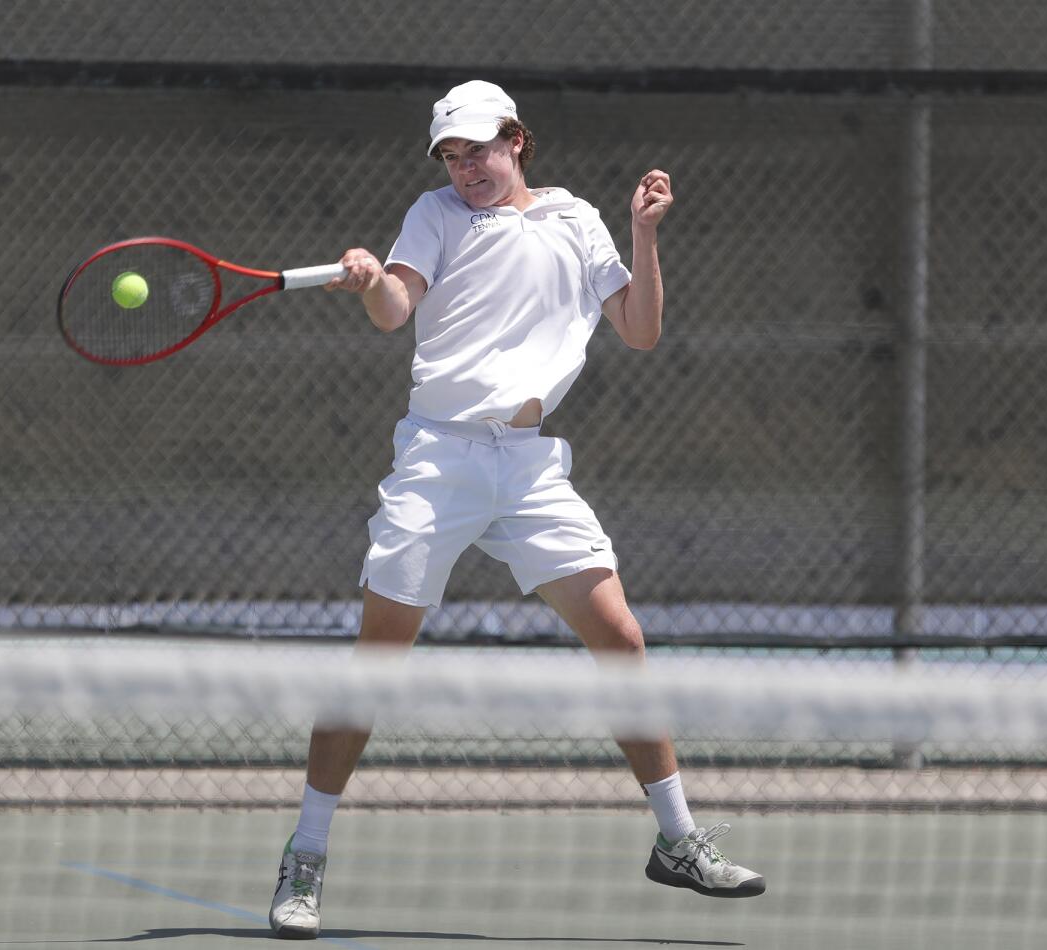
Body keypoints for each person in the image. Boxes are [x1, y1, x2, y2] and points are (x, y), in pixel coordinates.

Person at [269, 80, 765, 939]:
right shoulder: (434, 215)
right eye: (453, 157)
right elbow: (395, 311)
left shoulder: (576, 220)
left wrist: (646, 236)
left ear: (518, 142)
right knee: (375, 662)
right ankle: (306, 855)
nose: (467, 170)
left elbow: (639, 331)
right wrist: (369, 278)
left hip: (530, 467)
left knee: (622, 639)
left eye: (479, 151)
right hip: (439, 458)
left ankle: (678, 841)